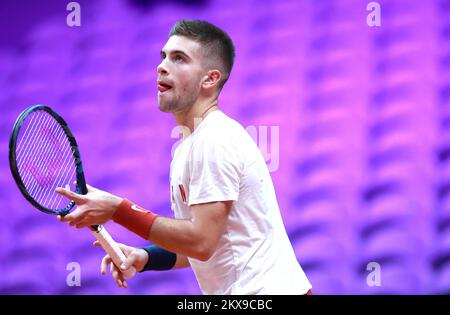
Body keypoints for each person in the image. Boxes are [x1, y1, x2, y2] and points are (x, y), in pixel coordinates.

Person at [56, 19, 312, 295]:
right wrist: (148, 257)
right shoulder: (188, 146)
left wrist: (118, 210)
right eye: (164, 56)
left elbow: (201, 242)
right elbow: (209, 244)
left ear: (210, 78)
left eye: (179, 58)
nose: (162, 66)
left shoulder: (215, 139)